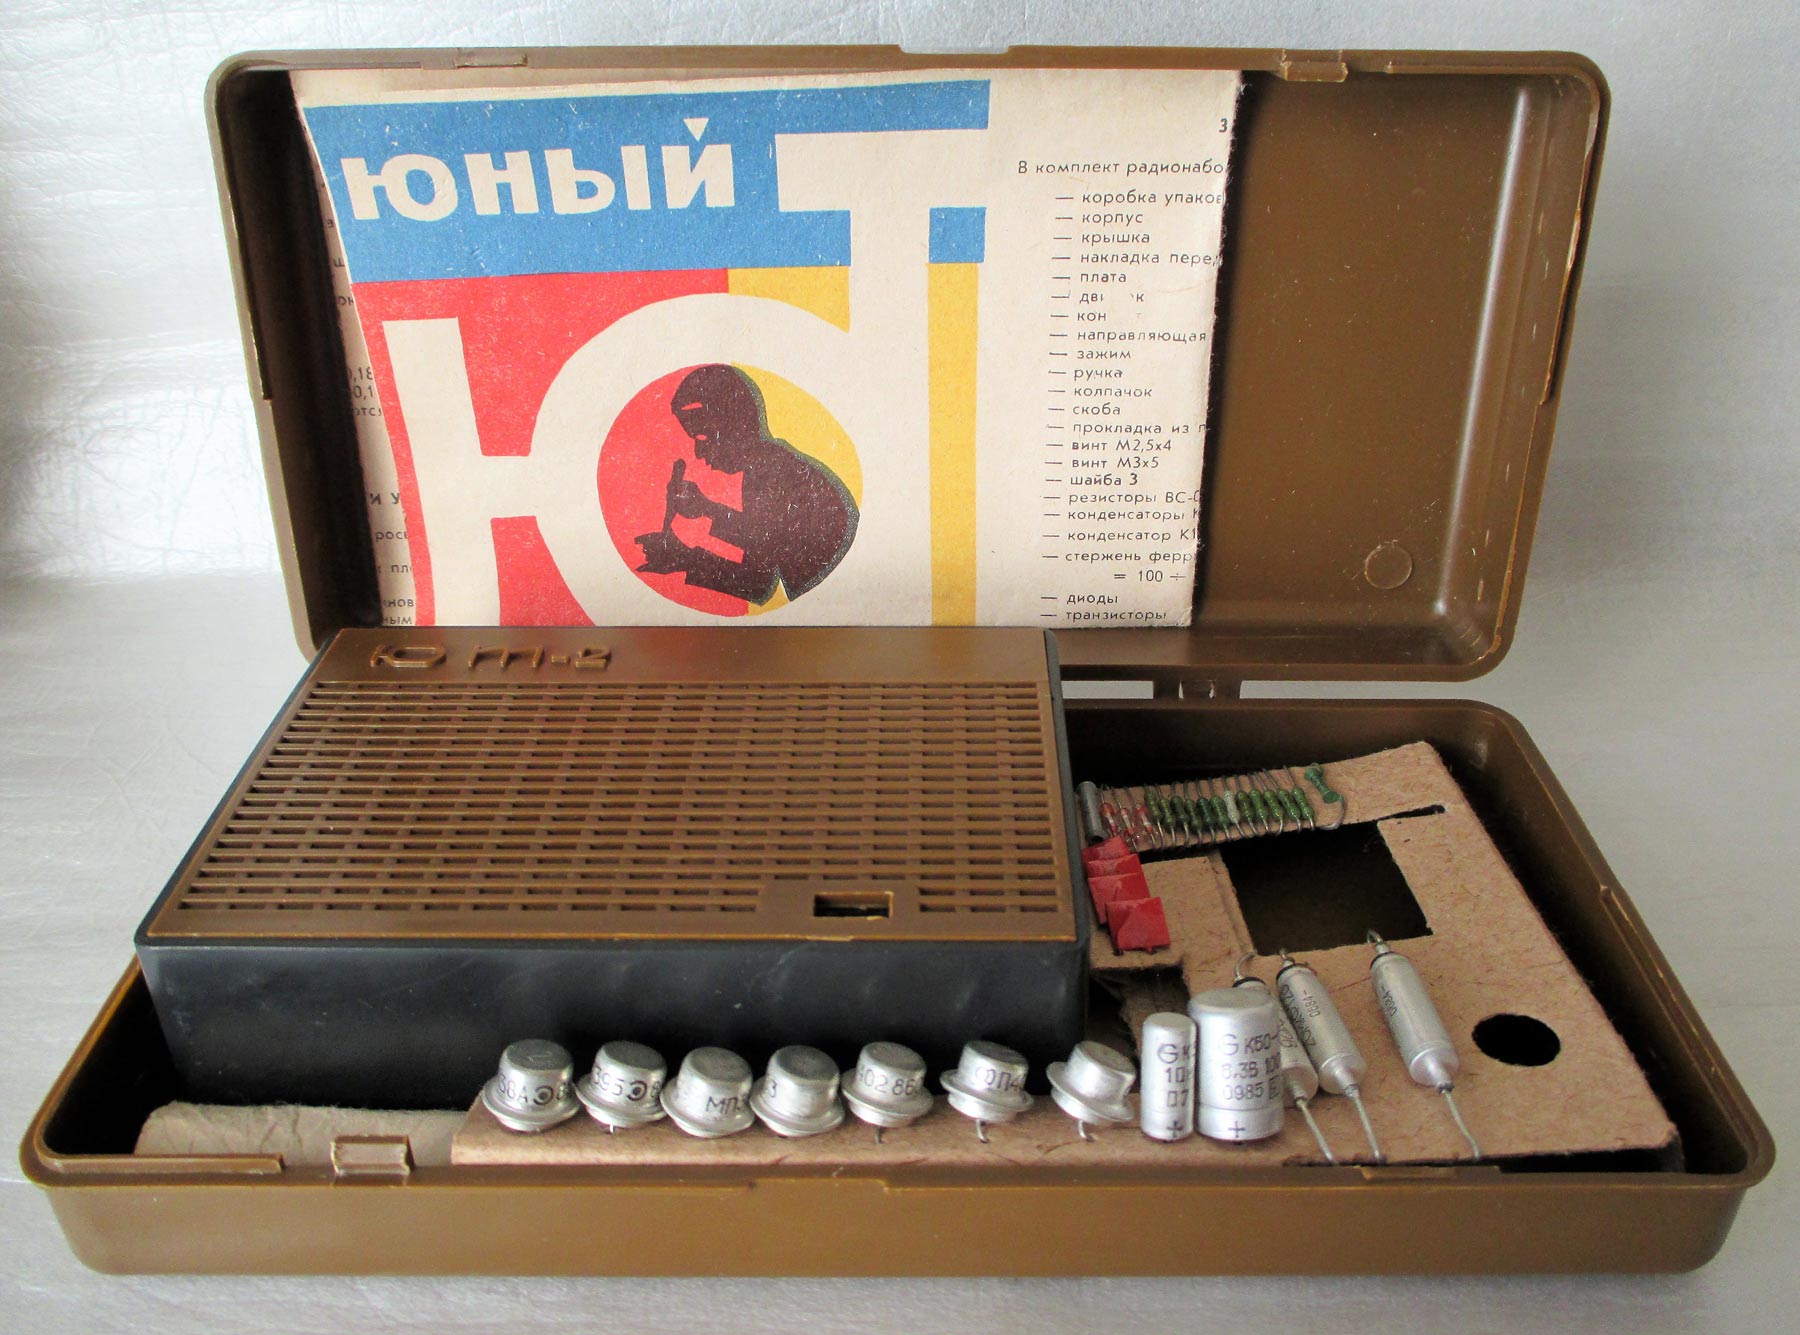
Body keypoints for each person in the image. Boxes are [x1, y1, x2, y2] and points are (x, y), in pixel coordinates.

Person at [636, 365, 858, 603]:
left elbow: (758, 585)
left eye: (703, 437)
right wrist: (705, 508)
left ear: (734, 426)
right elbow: (768, 541)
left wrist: (684, 558)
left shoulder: (772, 474)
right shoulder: (770, 465)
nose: (698, 452)